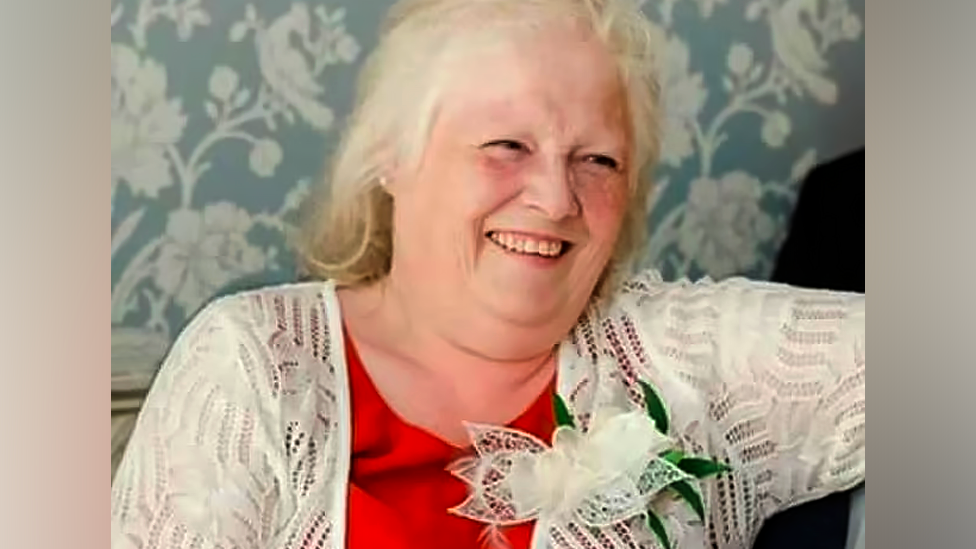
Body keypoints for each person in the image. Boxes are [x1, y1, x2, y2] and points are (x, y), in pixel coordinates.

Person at [110, 1, 865, 548]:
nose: (556, 197)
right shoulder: (253, 363)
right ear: (392, 157)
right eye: (507, 144)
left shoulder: (688, 353)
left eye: (597, 159)